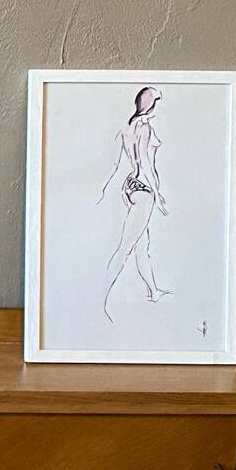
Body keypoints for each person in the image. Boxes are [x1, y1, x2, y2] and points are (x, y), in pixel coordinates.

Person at [98, 86, 170, 320]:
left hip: (130, 188)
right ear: (151, 105)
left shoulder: (129, 127)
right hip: (144, 190)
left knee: (142, 246)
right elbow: (146, 163)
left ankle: (153, 290)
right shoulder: (145, 127)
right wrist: (158, 195)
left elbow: (123, 163)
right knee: (125, 248)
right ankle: (100, 300)